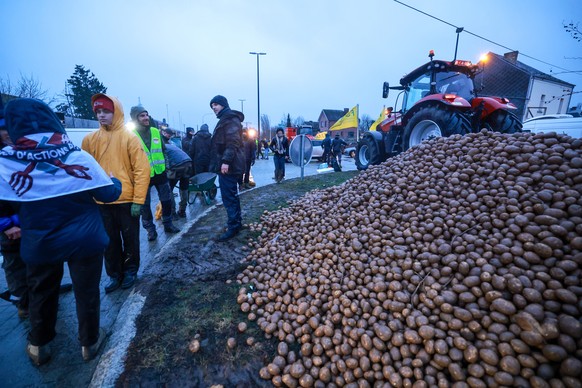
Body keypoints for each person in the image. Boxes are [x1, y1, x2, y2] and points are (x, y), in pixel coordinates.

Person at [0, 98, 122, 366]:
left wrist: (8, 225)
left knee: (42, 291)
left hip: (41, 242)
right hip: (85, 239)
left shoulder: (6, 163)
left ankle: (39, 345)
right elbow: (109, 193)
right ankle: (89, 342)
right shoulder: (77, 157)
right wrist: (114, 179)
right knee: (87, 291)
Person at [83, 94, 150, 293]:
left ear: (116, 112)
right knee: (108, 242)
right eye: (98, 112)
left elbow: (141, 169)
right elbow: (86, 171)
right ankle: (114, 274)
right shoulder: (90, 140)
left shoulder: (129, 138)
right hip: (102, 202)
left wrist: (138, 200)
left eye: (106, 111)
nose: (101, 116)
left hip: (126, 201)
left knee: (130, 239)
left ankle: (130, 271)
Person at [130, 105, 180, 241]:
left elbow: (164, 151)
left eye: (146, 115)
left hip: (160, 173)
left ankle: (168, 224)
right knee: (144, 206)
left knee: (167, 200)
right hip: (142, 176)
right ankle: (150, 230)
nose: (146, 118)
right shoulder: (131, 136)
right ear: (135, 118)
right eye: (142, 115)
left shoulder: (155, 131)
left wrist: (167, 167)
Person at [208, 95, 245, 241]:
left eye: (216, 104)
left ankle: (233, 227)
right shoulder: (226, 119)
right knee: (232, 196)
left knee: (228, 197)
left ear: (223, 105)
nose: (214, 108)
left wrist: (225, 161)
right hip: (230, 165)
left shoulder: (230, 119)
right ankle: (236, 223)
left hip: (230, 166)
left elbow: (233, 142)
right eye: (212, 106)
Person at [161, 128, 193, 217]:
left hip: (177, 166)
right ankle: (182, 211)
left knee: (169, 188)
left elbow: (164, 160)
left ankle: (172, 212)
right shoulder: (172, 145)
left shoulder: (162, 146)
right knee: (184, 188)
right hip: (188, 163)